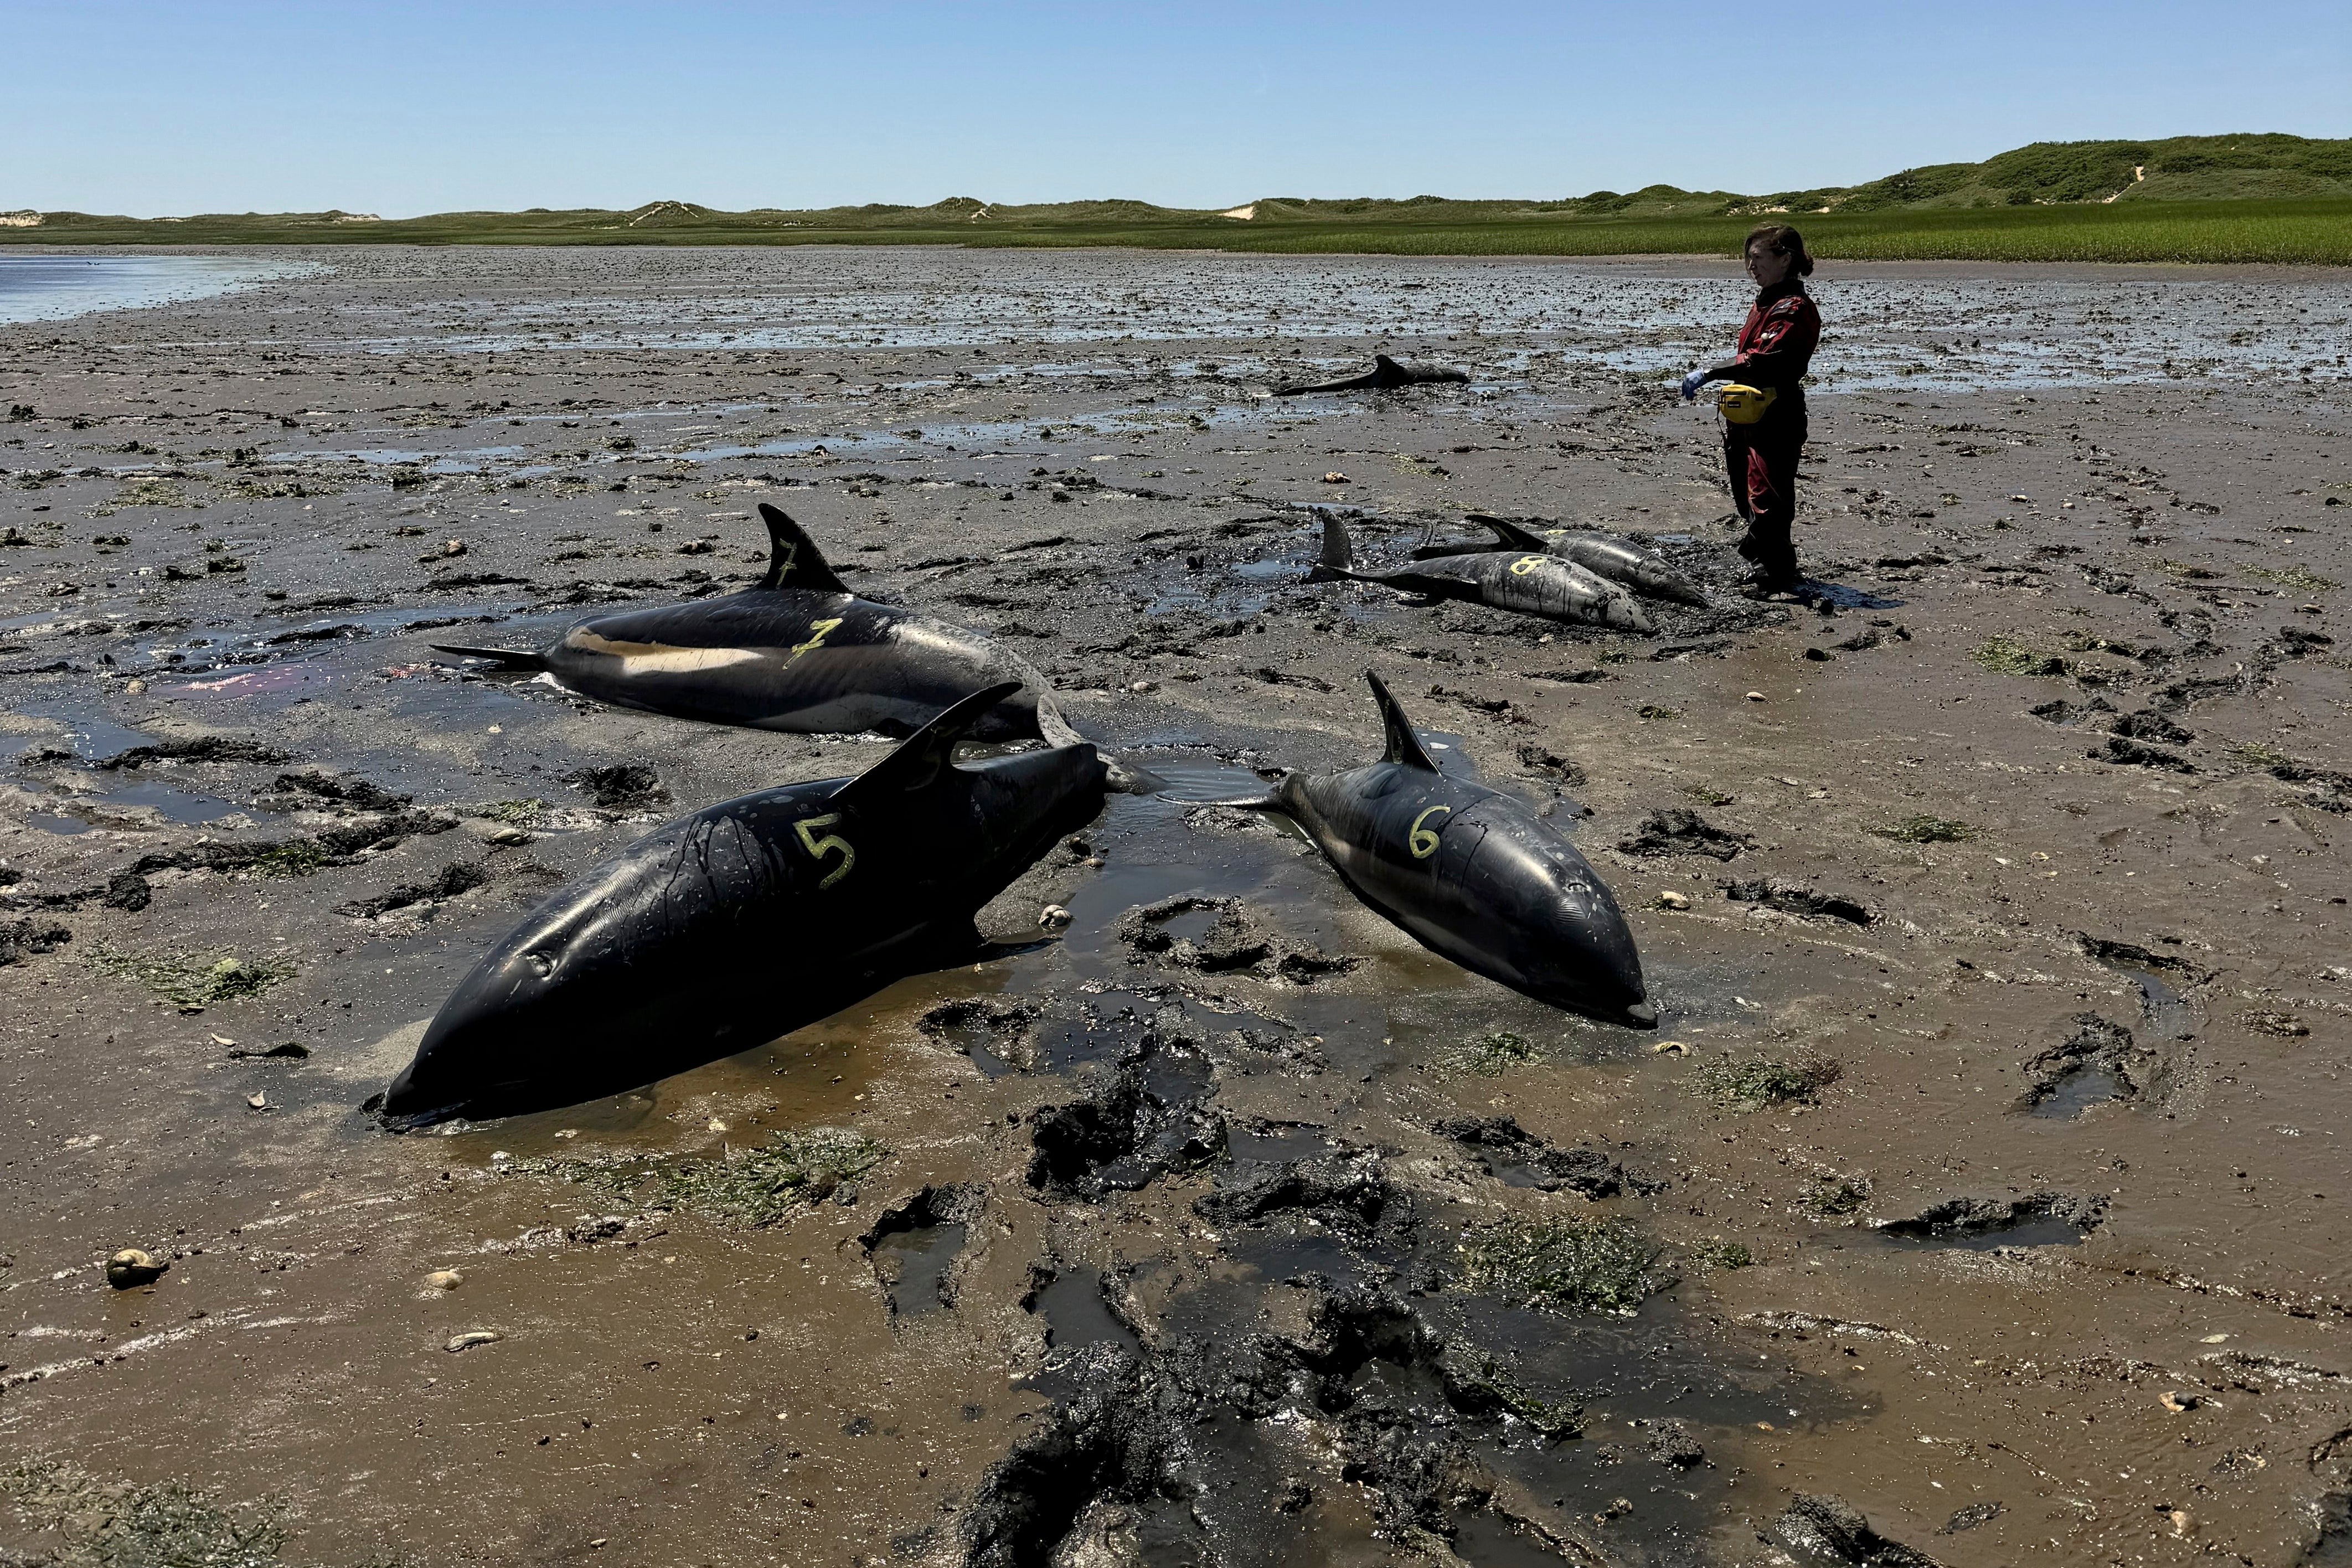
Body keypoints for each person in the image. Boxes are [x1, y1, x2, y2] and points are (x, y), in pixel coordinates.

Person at [1680, 224, 1822, 593]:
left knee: (1768, 495)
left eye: (1758, 258)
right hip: (1747, 415)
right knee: (1746, 492)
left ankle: (1771, 570)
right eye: (1748, 259)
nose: (1750, 267)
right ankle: (1770, 563)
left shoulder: (1794, 308)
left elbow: (1763, 360)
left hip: (1775, 413)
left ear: (1784, 259)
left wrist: (1711, 372)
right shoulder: (1765, 302)